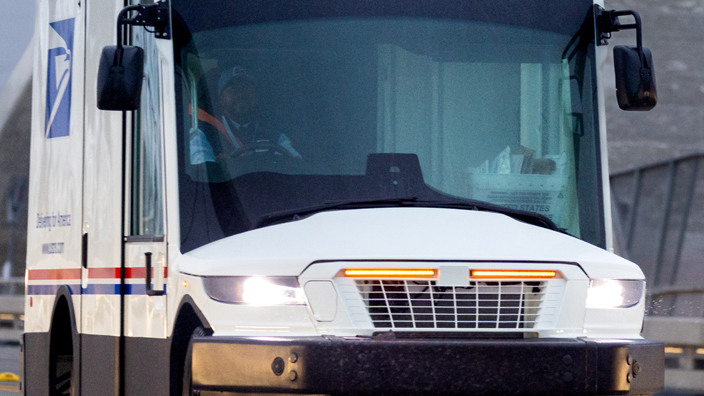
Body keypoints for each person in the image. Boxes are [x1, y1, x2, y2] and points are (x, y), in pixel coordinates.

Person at [190, 66, 302, 165]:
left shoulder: (274, 133)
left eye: (247, 88)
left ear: (257, 97)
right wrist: (218, 167)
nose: (241, 94)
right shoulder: (204, 133)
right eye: (233, 89)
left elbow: (296, 164)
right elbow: (201, 169)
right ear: (221, 99)